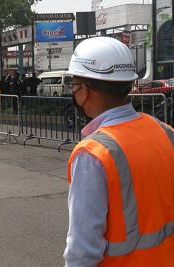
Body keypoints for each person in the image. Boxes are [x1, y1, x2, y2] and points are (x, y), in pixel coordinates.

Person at [63, 37, 174, 266]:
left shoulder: (92, 154)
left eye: (73, 85)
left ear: (83, 91)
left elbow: (82, 251)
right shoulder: (165, 131)